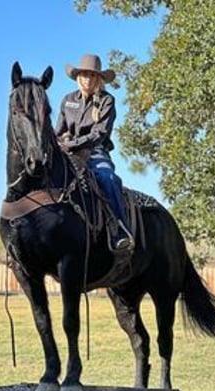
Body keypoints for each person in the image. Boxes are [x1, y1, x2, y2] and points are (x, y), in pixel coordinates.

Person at [55, 53, 134, 251]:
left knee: (107, 178)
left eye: (91, 75)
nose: (87, 79)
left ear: (98, 78)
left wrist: (72, 144)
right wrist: (59, 142)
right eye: (83, 75)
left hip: (94, 152)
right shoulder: (67, 100)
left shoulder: (107, 101)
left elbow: (99, 134)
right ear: (77, 76)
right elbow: (58, 131)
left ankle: (119, 229)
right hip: (66, 150)